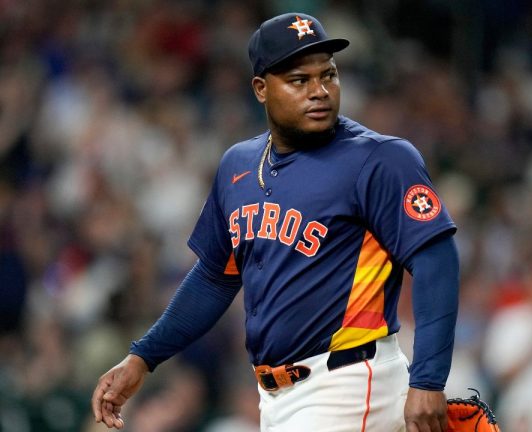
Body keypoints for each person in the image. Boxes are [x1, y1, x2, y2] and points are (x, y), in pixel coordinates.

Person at [91, 11, 460, 432]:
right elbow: (215, 277)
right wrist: (143, 357)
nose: (319, 91)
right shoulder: (239, 166)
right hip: (276, 399)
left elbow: (436, 259)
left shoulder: (378, 159)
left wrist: (429, 379)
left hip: (350, 381)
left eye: (329, 75)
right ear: (261, 89)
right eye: (299, 80)